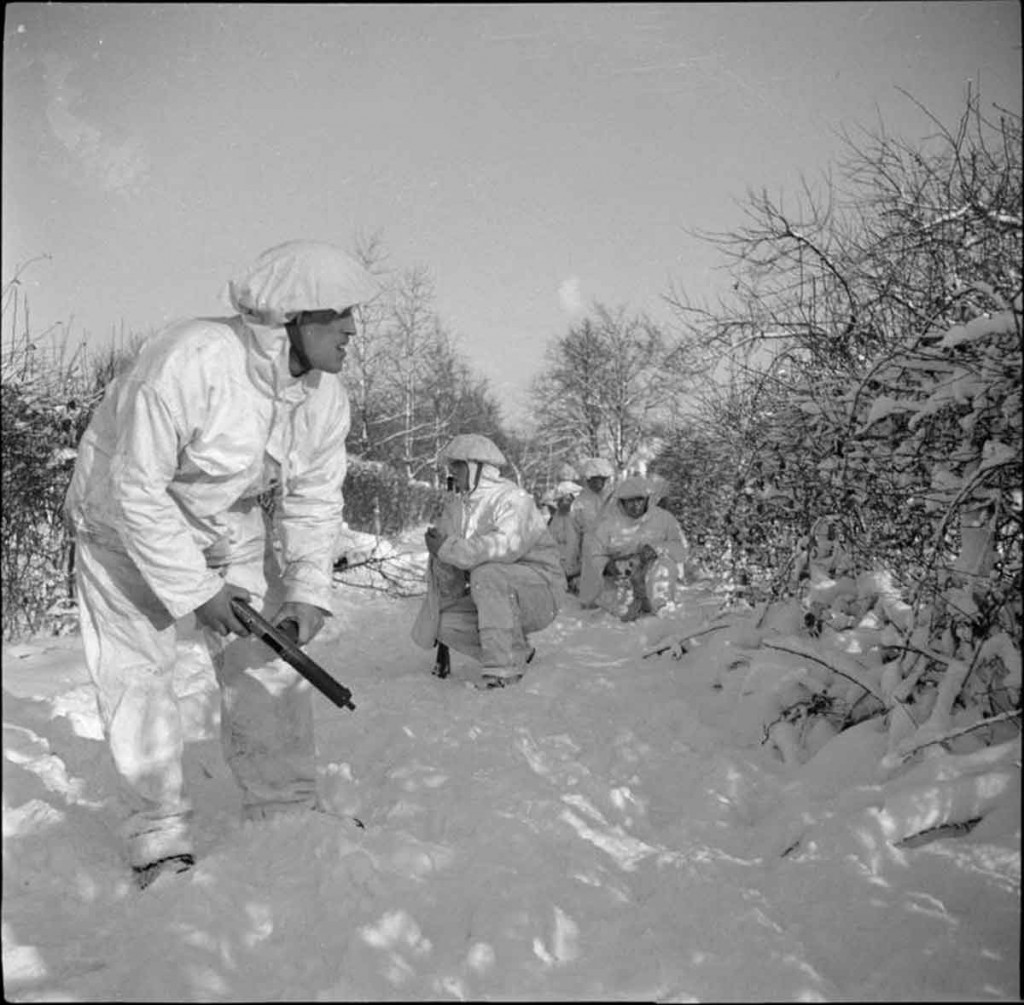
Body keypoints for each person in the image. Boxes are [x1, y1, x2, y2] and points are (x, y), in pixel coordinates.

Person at [63, 239, 378, 888]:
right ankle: (158, 838)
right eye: (337, 313)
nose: (352, 328)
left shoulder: (323, 397)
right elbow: (136, 490)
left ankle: (285, 809)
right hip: (117, 525)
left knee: (270, 657)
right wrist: (195, 590)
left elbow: (314, 498)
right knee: (139, 677)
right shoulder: (191, 360)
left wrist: (309, 590)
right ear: (288, 319)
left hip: (220, 521)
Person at [411, 434, 565, 689]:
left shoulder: (514, 499)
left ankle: (503, 670)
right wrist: (439, 555)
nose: (452, 472)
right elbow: (452, 570)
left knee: (487, 575)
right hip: (497, 592)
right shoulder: (457, 508)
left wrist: (447, 547)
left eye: (458, 465)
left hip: (541, 591)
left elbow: (502, 548)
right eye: (452, 466)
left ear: (478, 467)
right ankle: (518, 651)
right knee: (442, 623)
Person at [579, 475, 690, 621]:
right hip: (621, 581)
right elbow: (594, 554)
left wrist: (656, 549)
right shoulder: (608, 524)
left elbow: (682, 550)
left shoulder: (664, 519)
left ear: (647, 499)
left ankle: (663, 610)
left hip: (653, 577)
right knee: (621, 612)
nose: (635, 505)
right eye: (630, 501)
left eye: (639, 499)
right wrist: (608, 566)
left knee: (663, 565)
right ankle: (630, 607)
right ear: (621, 502)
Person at [570, 456, 616, 598]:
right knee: (592, 583)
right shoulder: (580, 502)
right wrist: (574, 558)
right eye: (593, 479)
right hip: (590, 545)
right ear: (587, 480)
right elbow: (574, 532)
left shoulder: (615, 498)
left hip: (613, 543)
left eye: (600, 478)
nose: (597, 482)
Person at [547, 480, 583, 591]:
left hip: (576, 569)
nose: (564, 503)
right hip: (555, 569)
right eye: (560, 500)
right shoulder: (553, 520)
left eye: (567, 500)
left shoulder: (579, 518)